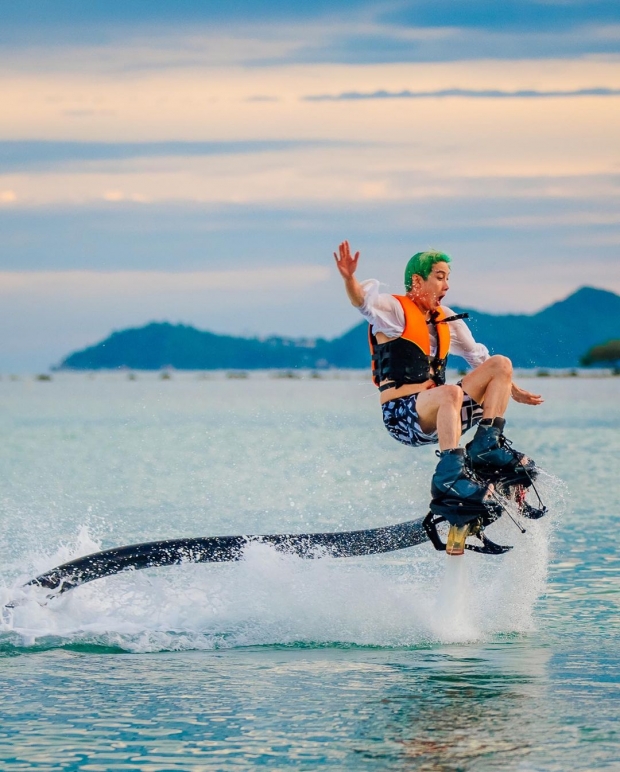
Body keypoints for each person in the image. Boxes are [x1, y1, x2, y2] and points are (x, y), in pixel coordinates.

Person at [334, 241, 543, 542]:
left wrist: (515, 390)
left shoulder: (445, 319)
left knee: (500, 364)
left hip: (443, 415)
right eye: (440, 276)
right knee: (449, 393)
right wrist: (349, 279)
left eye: (448, 278)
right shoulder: (394, 312)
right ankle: (451, 476)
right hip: (403, 418)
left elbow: (480, 360)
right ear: (418, 281)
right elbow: (362, 303)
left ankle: (487, 447)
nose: (446, 284)